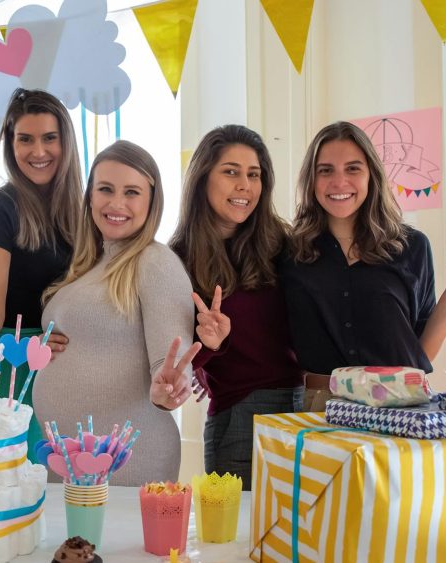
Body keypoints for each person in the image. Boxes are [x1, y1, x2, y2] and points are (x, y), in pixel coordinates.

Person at [280, 121, 446, 410]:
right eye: (325, 170)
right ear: (311, 180)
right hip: (320, 406)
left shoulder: (412, 246)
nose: (339, 182)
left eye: (353, 168)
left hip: (400, 406)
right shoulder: (290, 253)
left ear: (371, 176)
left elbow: (420, 353)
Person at [36, 140, 197, 486]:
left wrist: (166, 388)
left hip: (127, 462)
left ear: (151, 201)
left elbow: (171, 357)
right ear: (90, 197)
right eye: (105, 189)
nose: (116, 203)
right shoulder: (89, 264)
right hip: (68, 460)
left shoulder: (156, 262)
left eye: (132, 192)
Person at [168, 125, 302, 489]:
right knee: (235, 539)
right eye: (231, 172)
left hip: (305, 405)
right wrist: (210, 348)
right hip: (241, 415)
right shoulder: (176, 260)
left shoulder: (282, 244)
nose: (245, 185)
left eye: (254, 174)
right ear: (202, 179)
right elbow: (175, 364)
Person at [0, 88, 82, 450]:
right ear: (10, 146)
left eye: (50, 138)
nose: (38, 151)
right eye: (25, 140)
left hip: (68, 373)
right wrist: (27, 344)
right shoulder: (0, 208)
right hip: (14, 370)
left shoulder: (84, 211)